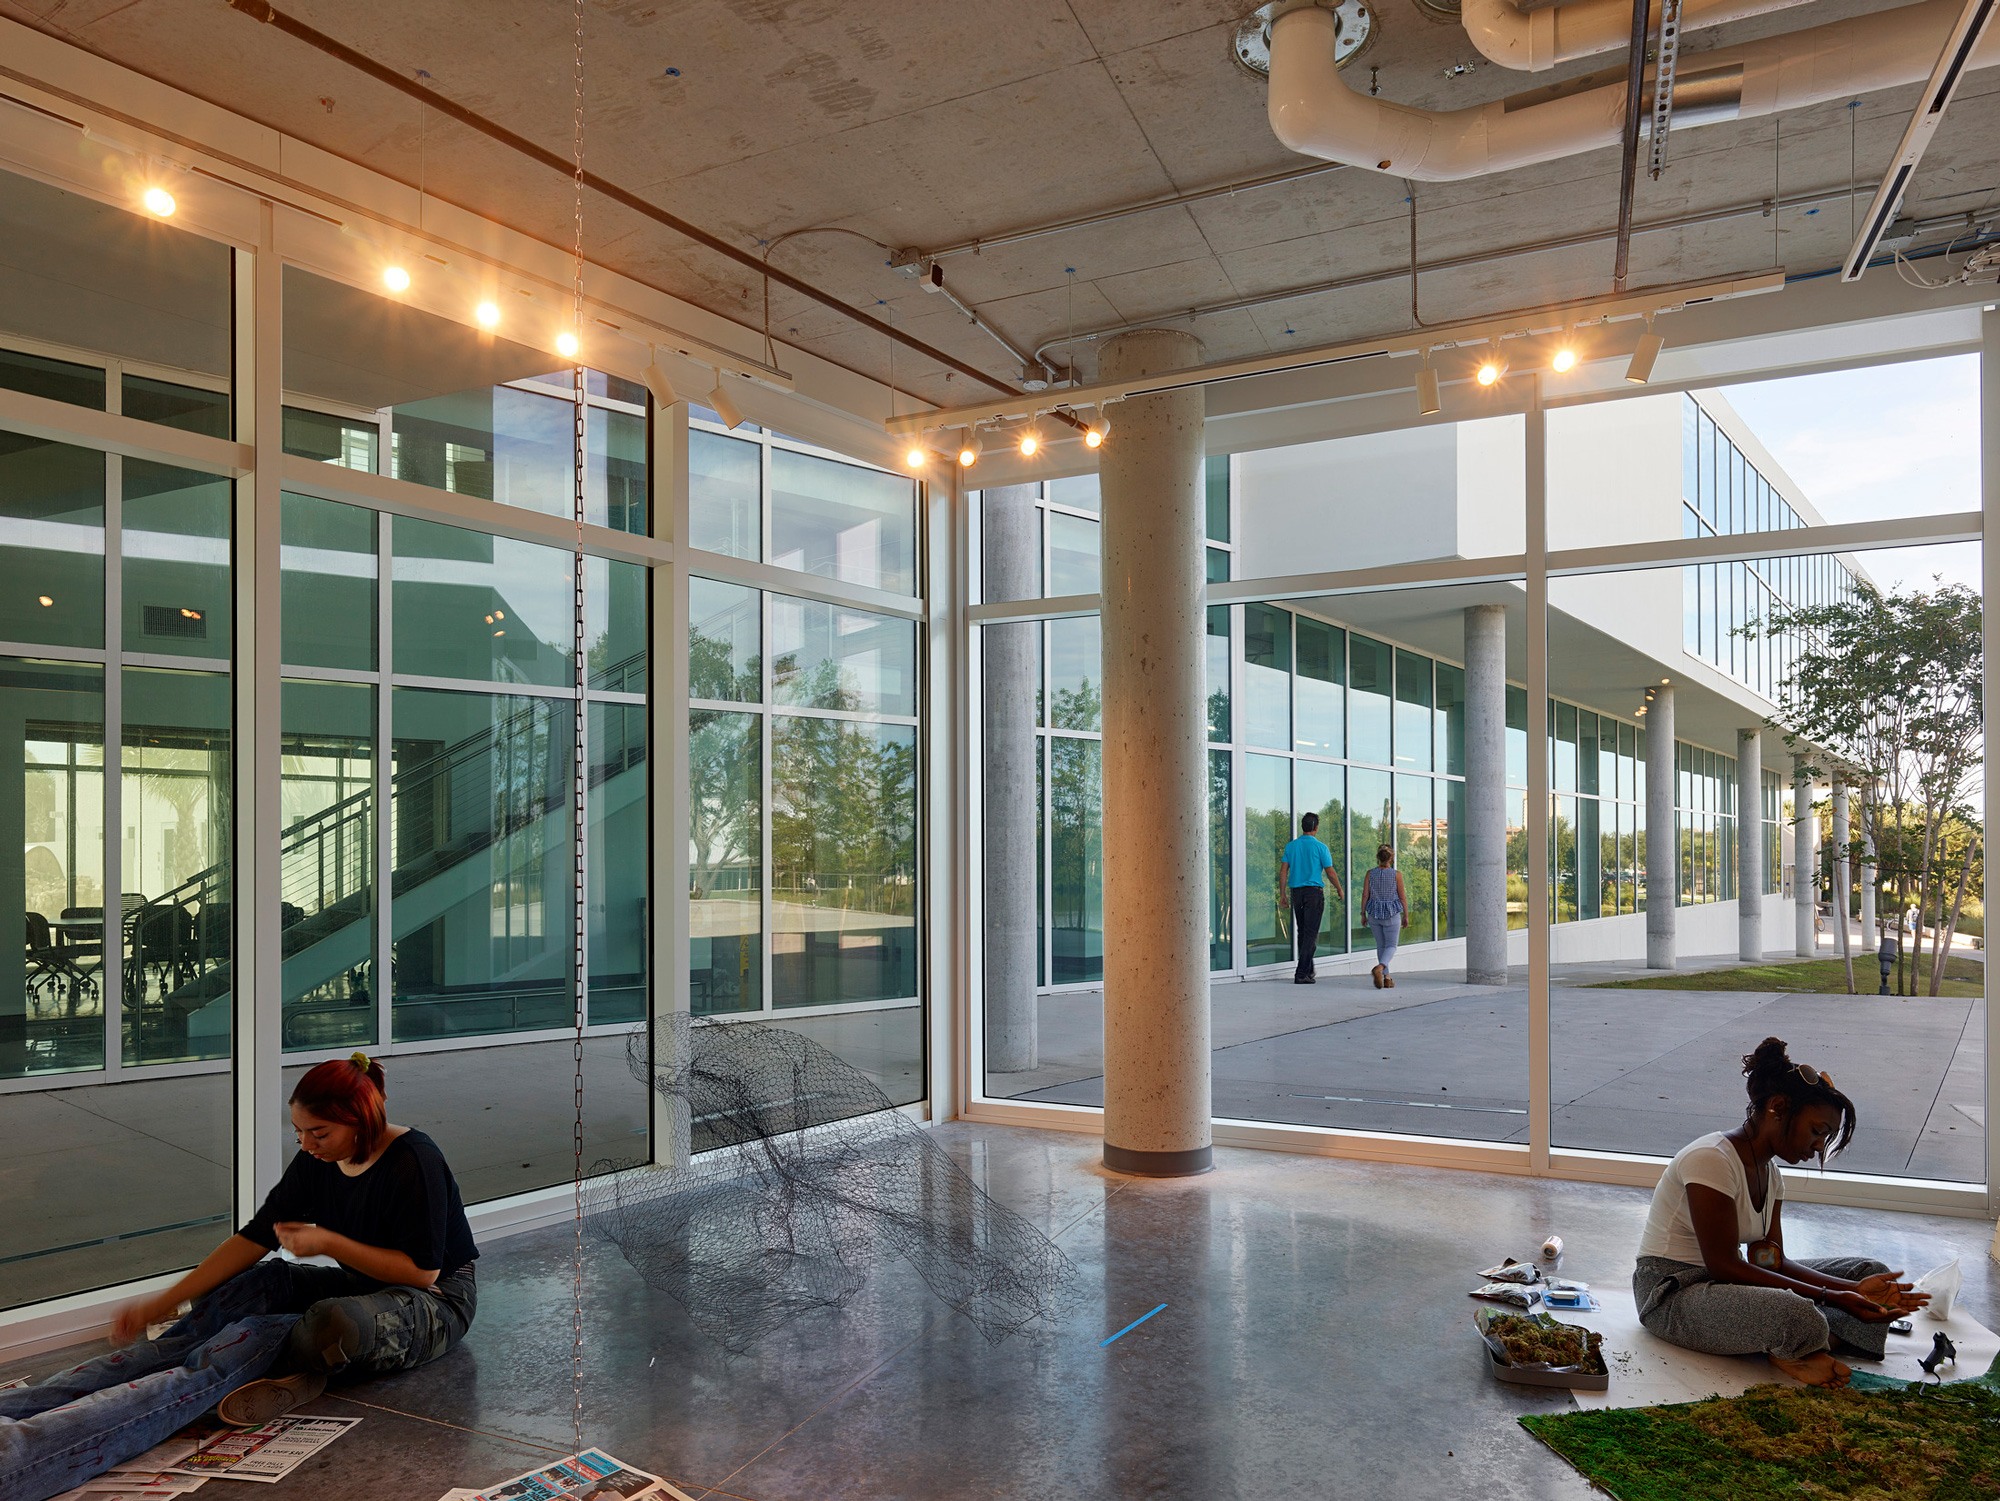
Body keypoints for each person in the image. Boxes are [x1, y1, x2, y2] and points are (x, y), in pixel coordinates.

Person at [0, 1054, 478, 1501]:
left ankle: (24, 1456)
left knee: (328, 1325)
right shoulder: (319, 1160)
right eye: (299, 1132)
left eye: (319, 1133)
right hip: (363, 1286)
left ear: (362, 1121)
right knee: (251, 1288)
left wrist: (329, 1243)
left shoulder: (414, 1159)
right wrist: (163, 1301)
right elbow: (255, 1237)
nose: (306, 1145)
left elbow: (422, 1272)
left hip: (436, 1300)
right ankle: (22, 1407)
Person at [1633, 1037, 1926, 1388]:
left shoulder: (1771, 1175)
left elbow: (1770, 1261)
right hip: (1672, 1295)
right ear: (1778, 1107)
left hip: (1725, 1288)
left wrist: (1854, 1289)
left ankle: (1801, 1343)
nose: (1818, 1146)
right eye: (1817, 1131)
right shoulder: (1711, 1159)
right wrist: (1832, 1297)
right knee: (1795, 1310)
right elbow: (1724, 1265)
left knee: (1870, 1272)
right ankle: (1803, 1343)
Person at [1279, 812, 1342, 985]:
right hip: (1313, 894)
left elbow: (1283, 871)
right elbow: (1330, 872)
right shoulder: (1321, 847)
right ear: (1316, 828)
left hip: (1296, 893)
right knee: (1311, 934)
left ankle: (1308, 970)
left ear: (1303, 826)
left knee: (1303, 932)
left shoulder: (1291, 846)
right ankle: (1301, 973)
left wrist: (1283, 894)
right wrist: (1339, 888)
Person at [1361, 844, 1407, 989]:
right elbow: (1402, 897)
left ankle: (1387, 978)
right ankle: (1380, 967)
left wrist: (1363, 914)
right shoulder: (1396, 875)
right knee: (1391, 946)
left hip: (1374, 913)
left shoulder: (1370, 874)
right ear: (1391, 858)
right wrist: (1406, 915)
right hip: (1391, 914)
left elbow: (1365, 895)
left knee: (1381, 946)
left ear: (1378, 857)